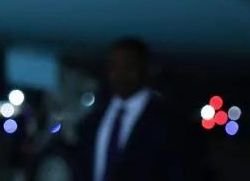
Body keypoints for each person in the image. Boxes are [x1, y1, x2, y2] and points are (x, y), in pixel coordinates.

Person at [74, 37, 210, 181]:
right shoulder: (93, 120)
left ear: (147, 70)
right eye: (114, 66)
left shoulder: (169, 123)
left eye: (128, 66)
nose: (120, 74)